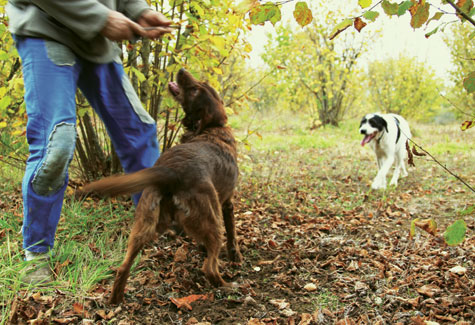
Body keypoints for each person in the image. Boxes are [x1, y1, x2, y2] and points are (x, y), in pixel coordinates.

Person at [6, 0, 173, 284]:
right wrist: (98, 16)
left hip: (98, 45)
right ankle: (36, 254)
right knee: (55, 144)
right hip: (46, 29)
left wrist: (138, 11)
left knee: (139, 130)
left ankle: (153, 227)